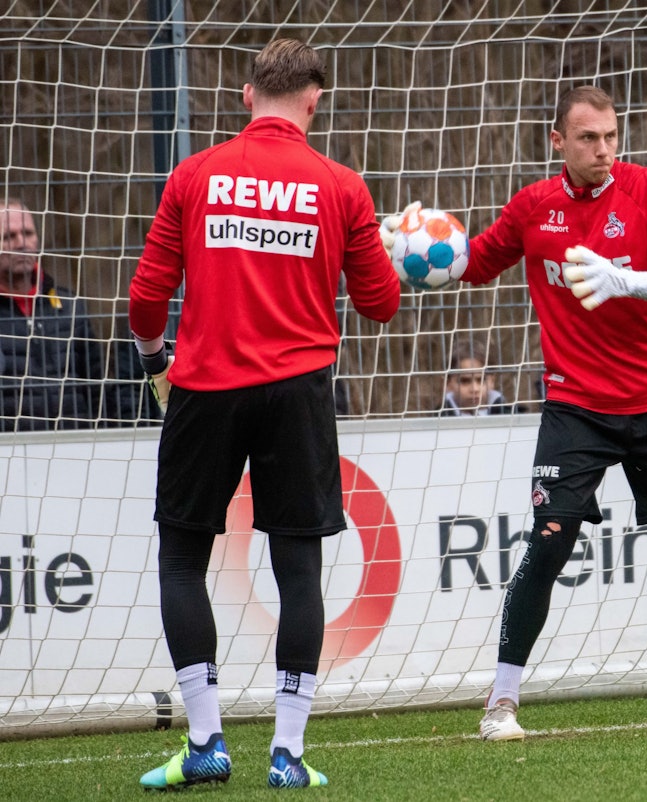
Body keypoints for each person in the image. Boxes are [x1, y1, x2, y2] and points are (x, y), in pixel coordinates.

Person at [383, 85, 647, 741]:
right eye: (586, 138)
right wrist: (405, 240)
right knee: (548, 542)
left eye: (609, 136)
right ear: (558, 143)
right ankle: (501, 702)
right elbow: (475, 263)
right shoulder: (533, 207)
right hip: (576, 405)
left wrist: (627, 280)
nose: (602, 148)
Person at [129, 39, 400, 789]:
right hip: (299, 394)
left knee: (184, 558)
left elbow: (145, 300)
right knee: (298, 568)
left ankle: (207, 743)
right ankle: (286, 754)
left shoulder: (194, 174)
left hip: (207, 388)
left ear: (247, 96)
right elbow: (380, 304)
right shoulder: (341, 186)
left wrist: (158, 363)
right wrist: (393, 251)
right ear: (313, 102)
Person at [0, 199, 107, 431]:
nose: (22, 244)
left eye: (27, 233)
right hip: (11, 454)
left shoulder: (70, 307)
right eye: (9, 237)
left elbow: (98, 387)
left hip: (76, 448)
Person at [439, 340, 516, 416]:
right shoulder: (436, 422)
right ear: (447, 383)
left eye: (481, 380)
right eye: (465, 381)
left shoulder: (511, 417)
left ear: (492, 381)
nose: (474, 389)